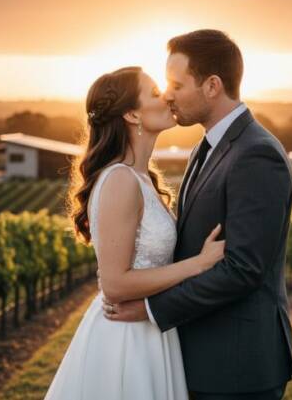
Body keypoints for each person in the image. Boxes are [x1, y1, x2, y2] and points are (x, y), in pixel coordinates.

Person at [101, 30, 292, 399]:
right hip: (200, 355)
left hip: (237, 365)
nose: (168, 93)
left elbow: (243, 268)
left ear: (212, 86)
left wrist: (152, 309)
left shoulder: (256, 154)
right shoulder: (206, 147)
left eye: (177, 83)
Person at [43, 65, 225, 400]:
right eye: (155, 93)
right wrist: (198, 264)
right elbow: (114, 284)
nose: (167, 96)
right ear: (131, 114)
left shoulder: (141, 179)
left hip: (151, 328)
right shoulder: (120, 181)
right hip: (126, 340)